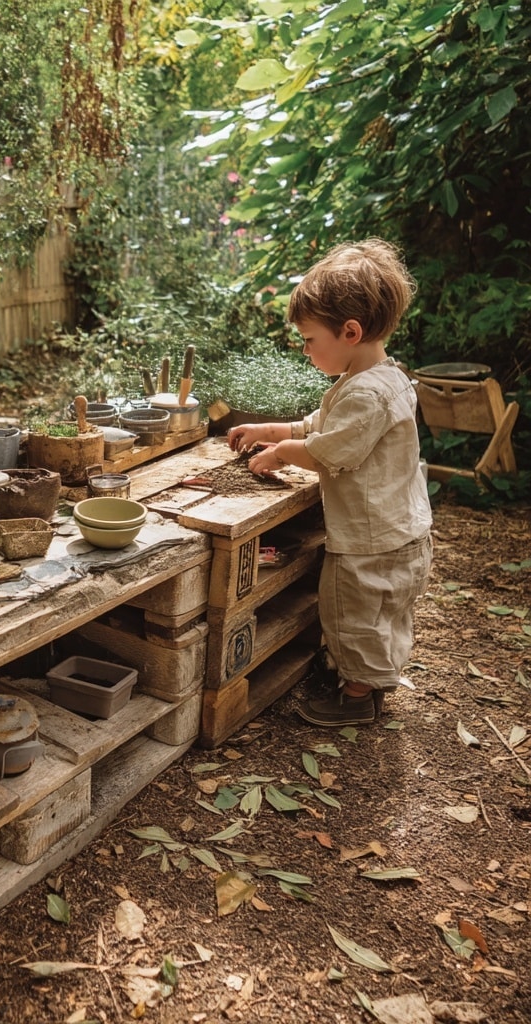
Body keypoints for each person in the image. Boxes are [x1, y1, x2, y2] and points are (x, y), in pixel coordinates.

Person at [228, 238, 433, 727]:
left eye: (308, 339)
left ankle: (357, 697)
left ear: (349, 331)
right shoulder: (382, 377)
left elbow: (328, 450)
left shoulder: (366, 394)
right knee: (384, 615)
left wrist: (281, 453)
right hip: (397, 530)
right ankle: (371, 678)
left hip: (368, 540)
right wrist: (272, 430)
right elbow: (320, 425)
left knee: (352, 617)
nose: (304, 350)